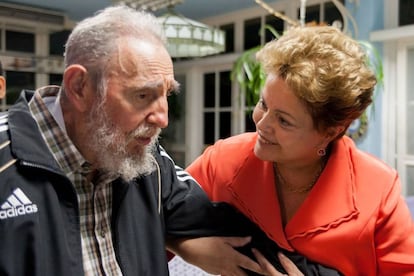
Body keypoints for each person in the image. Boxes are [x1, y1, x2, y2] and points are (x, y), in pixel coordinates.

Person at [0, 5, 337, 276]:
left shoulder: (147, 161)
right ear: (79, 88)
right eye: (143, 95)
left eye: (166, 96)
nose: (162, 118)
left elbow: (228, 231)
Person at [186, 26, 414, 275]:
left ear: (330, 131)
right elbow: (153, 221)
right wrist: (192, 250)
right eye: (263, 103)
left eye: (284, 120)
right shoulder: (224, 159)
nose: (261, 124)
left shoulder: (378, 188)